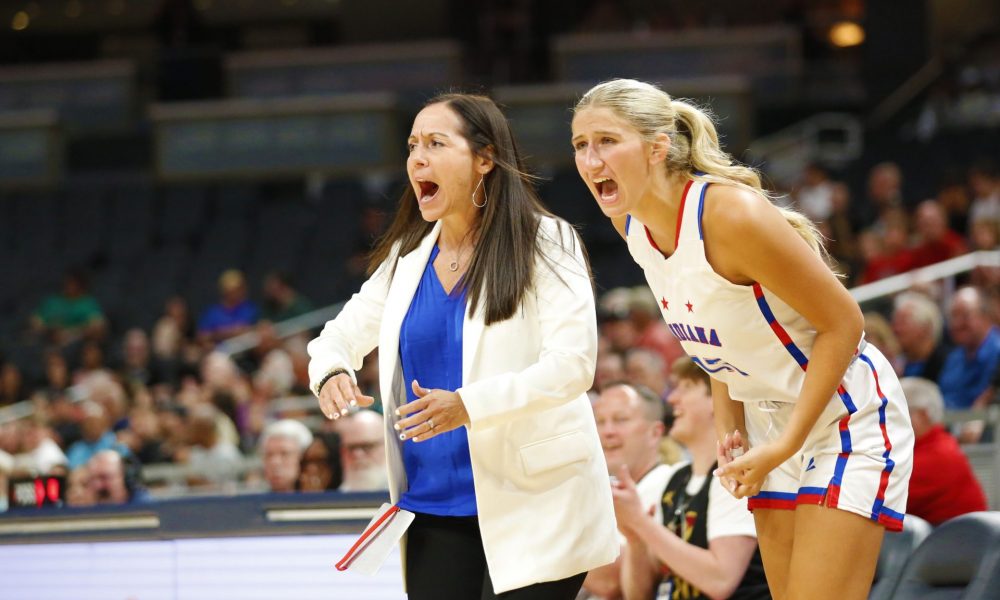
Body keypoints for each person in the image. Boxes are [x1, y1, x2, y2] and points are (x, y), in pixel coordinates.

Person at [571, 78, 913, 600]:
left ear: (658, 147)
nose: (591, 160)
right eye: (580, 145)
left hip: (843, 414)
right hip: (768, 423)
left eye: (606, 141)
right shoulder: (632, 226)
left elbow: (844, 322)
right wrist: (732, 437)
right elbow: (719, 350)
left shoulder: (729, 214)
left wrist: (787, 442)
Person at [308, 93, 616, 599]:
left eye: (435, 143)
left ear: (484, 158)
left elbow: (572, 367)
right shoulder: (407, 260)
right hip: (429, 505)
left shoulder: (546, 241)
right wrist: (332, 369)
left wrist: (467, 406)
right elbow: (337, 336)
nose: (417, 159)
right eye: (412, 146)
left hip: (533, 502)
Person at [612, 358, 770, 600]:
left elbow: (721, 580)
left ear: (717, 400)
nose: (672, 398)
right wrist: (635, 538)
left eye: (685, 388)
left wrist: (642, 523)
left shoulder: (736, 475)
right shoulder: (674, 479)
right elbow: (637, 595)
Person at [584, 382, 675, 599]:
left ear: (655, 432)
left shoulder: (669, 484)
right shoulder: (600, 491)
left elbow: (611, 581)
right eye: (599, 422)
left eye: (620, 420)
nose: (608, 432)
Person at [901, 377, 987, 525]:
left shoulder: (938, 454)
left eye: (899, 411)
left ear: (923, 414)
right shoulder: (936, 444)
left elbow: (881, 498)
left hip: (960, 543)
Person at [891, 291, 948, 380]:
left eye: (903, 322)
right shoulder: (897, 368)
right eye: (895, 322)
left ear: (926, 327)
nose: (896, 329)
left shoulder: (948, 364)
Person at [334, 409, 388, 492]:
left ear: (387, 446)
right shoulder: (333, 501)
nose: (357, 454)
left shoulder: (407, 496)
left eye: (367, 446)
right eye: (351, 448)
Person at [259, 419, 312, 493]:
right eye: (269, 455)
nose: (275, 462)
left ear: (303, 457)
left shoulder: (323, 501)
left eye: (285, 454)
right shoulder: (252, 502)